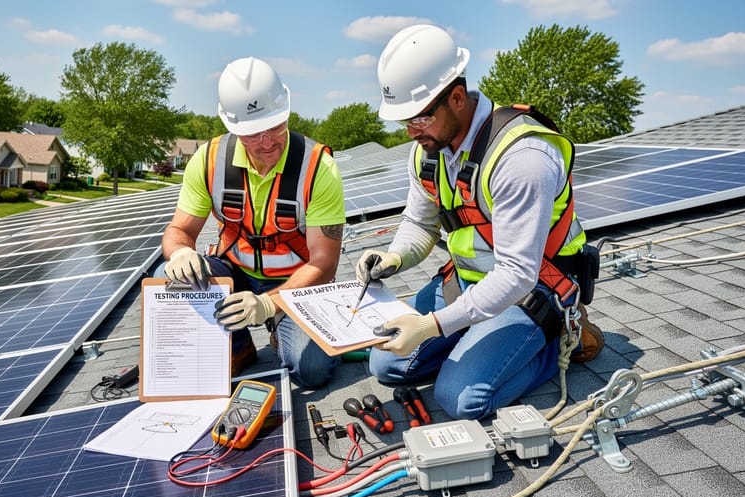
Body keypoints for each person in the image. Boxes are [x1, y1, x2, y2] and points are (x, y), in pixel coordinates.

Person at [357, 24, 604, 420]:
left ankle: (558, 341)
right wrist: (394, 258)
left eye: (418, 118)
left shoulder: (521, 157)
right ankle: (476, 343)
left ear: (457, 98)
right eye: (404, 121)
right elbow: (420, 224)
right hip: (468, 282)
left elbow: (517, 275)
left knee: (461, 400)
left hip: (532, 291)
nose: (410, 132)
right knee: (386, 366)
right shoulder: (428, 151)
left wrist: (434, 326)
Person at [157, 57, 346, 387]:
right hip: (234, 275)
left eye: (275, 127)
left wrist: (268, 304)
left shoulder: (318, 168)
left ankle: (279, 328)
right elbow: (179, 232)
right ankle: (239, 345)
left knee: (312, 371)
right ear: (233, 128)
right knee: (168, 277)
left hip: (295, 283)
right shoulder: (209, 161)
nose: (268, 141)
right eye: (253, 134)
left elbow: (324, 263)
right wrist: (180, 253)